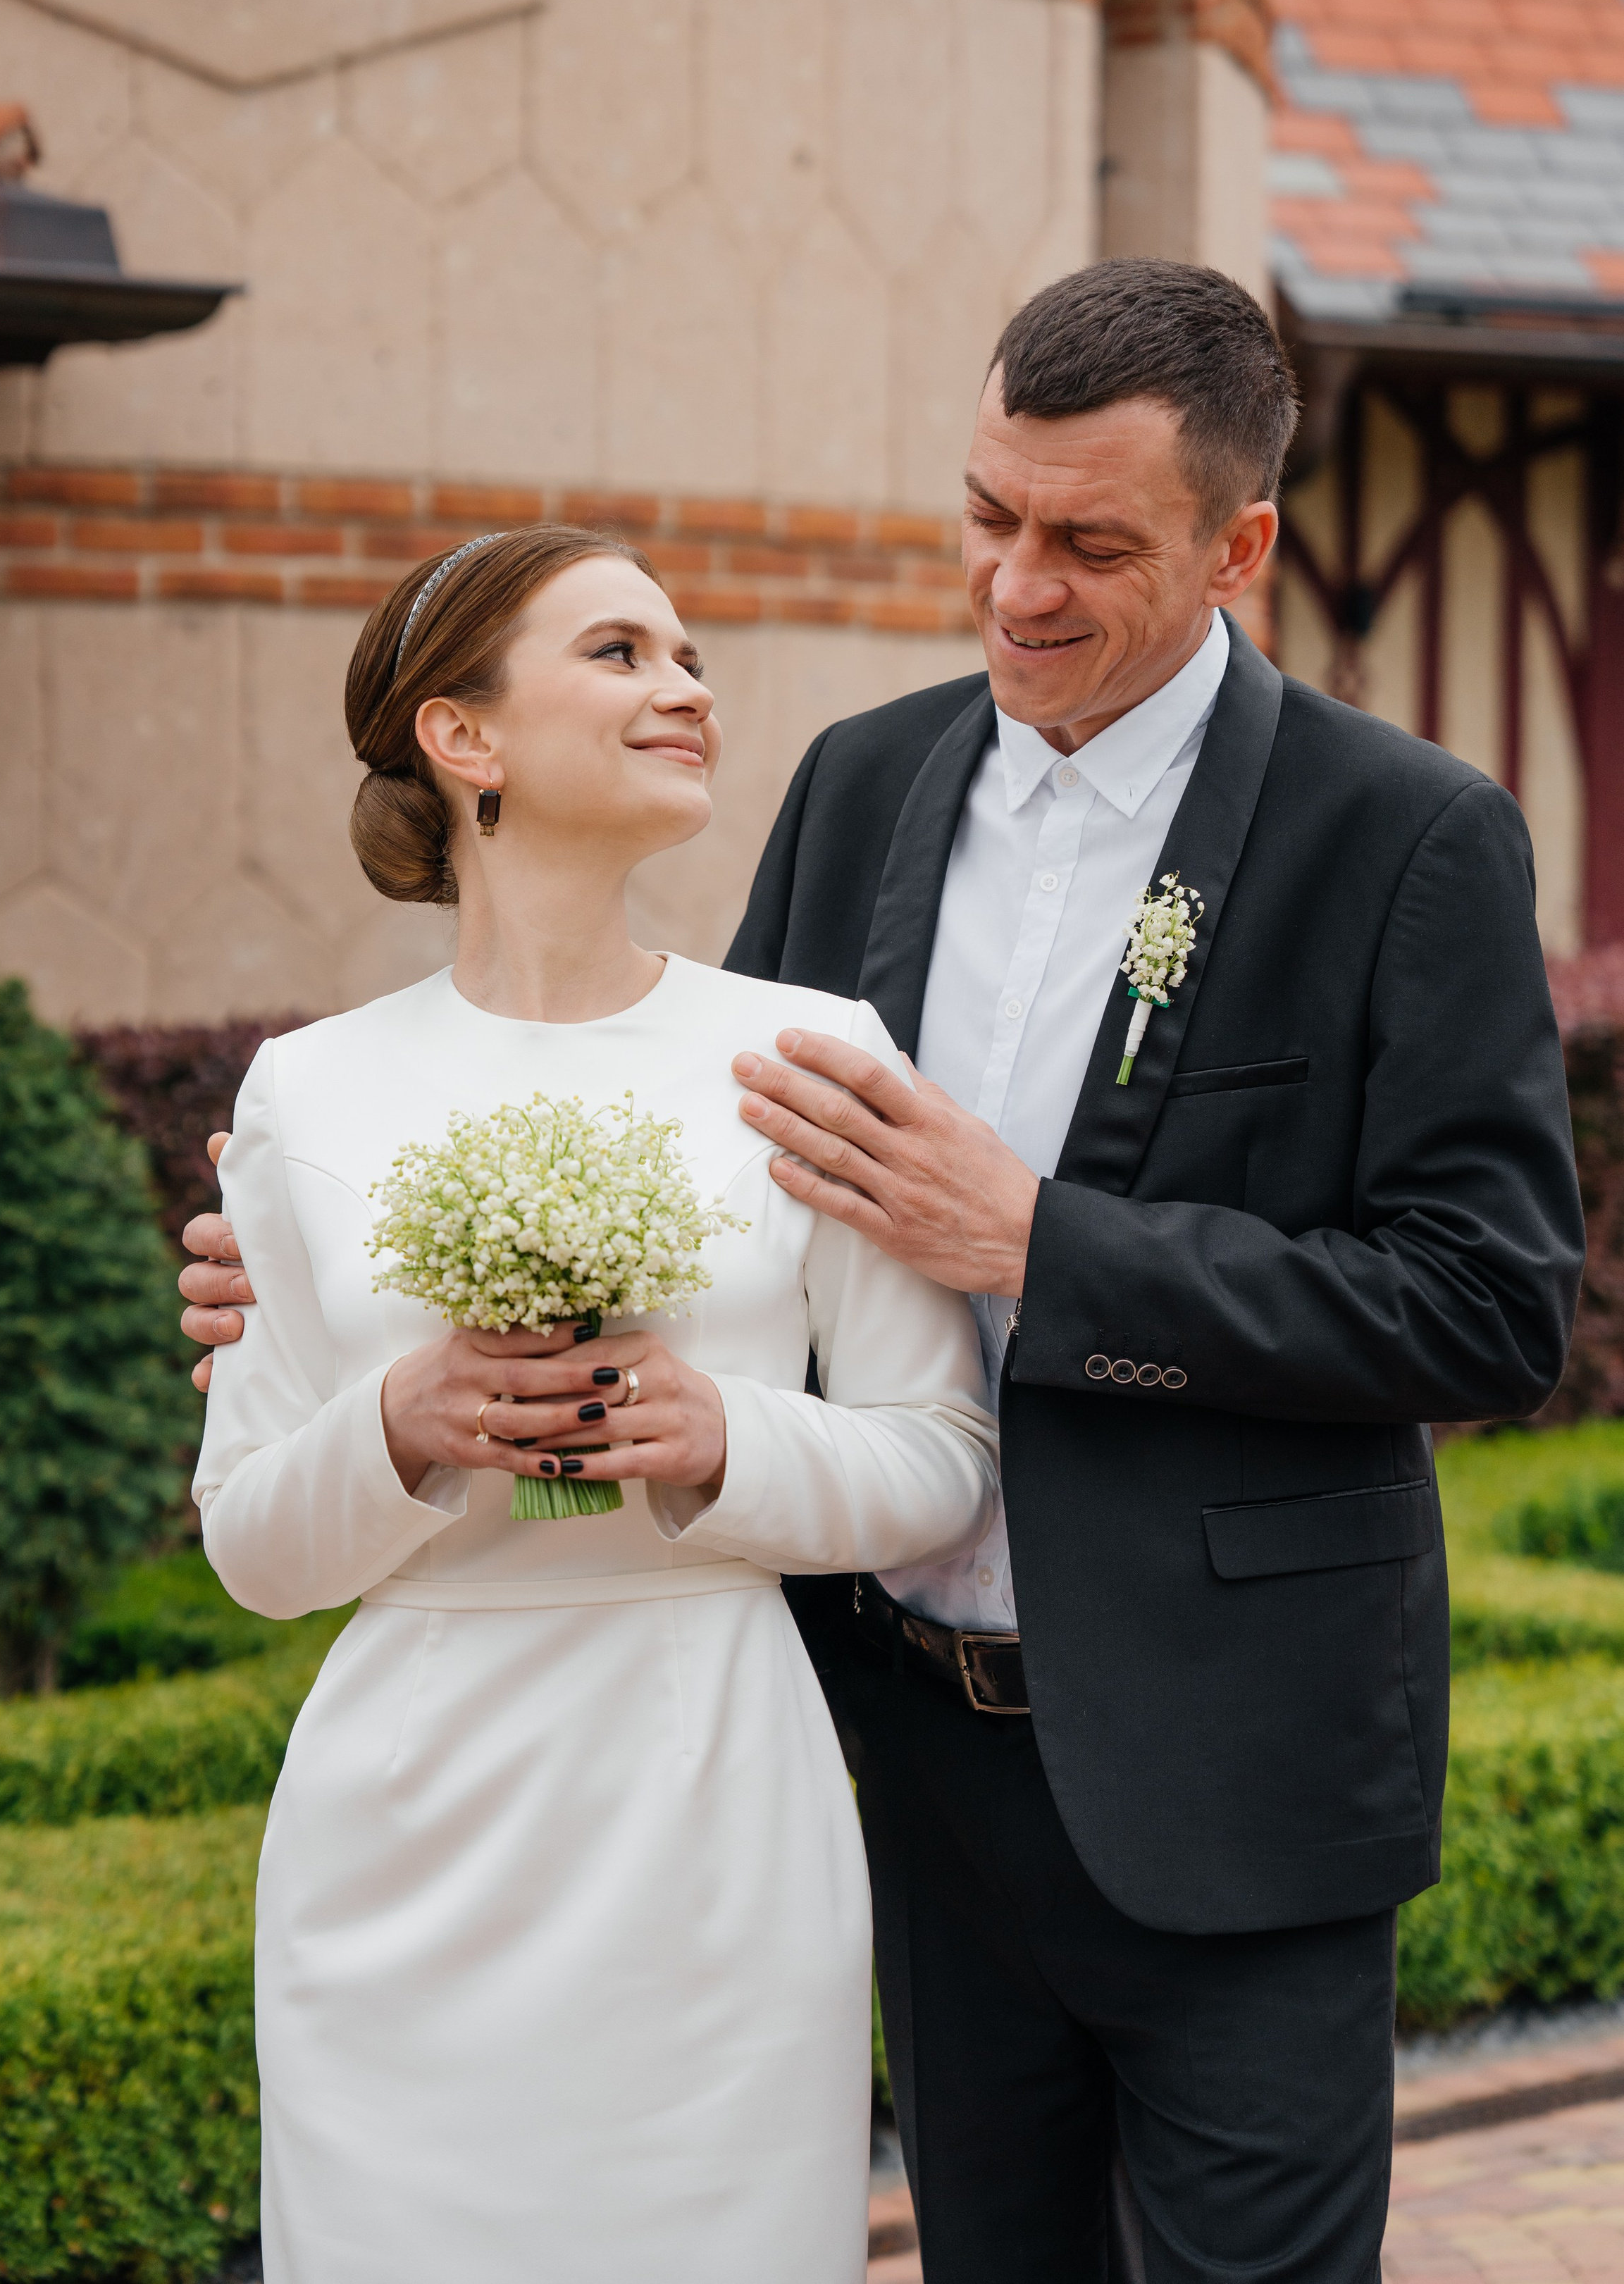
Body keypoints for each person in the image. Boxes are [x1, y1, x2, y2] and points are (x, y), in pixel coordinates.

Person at [184, 261, 1585, 2282]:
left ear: (1238, 546)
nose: (1015, 583)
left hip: (1230, 1764)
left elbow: (1487, 1301)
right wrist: (319, 1270)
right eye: (987, 513)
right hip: (903, 1760)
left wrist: (1044, 1245)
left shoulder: (1407, 833)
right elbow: (705, 1177)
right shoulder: (864, 780)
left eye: (1089, 542)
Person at [187, 521, 998, 2284]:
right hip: (406, 1821)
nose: (684, 686)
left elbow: (941, 1458)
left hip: (713, 1799)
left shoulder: (812, 1054)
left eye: (688, 654)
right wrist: (398, 1420)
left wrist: (726, 1438)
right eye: (619, 651)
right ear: (460, 734)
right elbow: (249, 1538)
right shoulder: (308, 1090)